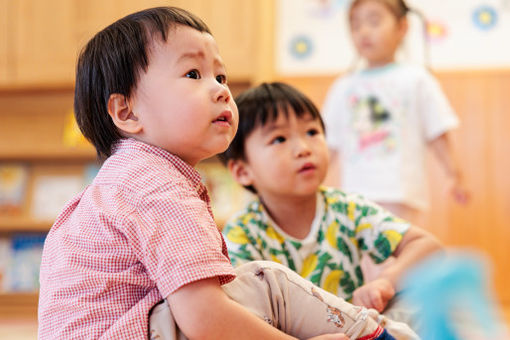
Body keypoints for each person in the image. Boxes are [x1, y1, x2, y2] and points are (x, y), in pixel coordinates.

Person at [37, 7, 415, 340]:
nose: (220, 91)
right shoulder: (154, 184)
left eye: (221, 76)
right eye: (192, 74)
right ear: (127, 113)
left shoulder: (122, 179)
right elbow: (204, 317)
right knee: (270, 284)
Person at [219, 82, 442, 331]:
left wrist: (385, 282)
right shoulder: (242, 232)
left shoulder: (346, 209)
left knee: (425, 300)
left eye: (312, 132)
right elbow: (237, 313)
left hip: (357, 330)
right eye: (279, 138)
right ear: (242, 171)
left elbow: (426, 246)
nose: (304, 149)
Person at [322, 0, 469, 224]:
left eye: (374, 21)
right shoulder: (343, 86)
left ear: (402, 27)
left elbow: (437, 130)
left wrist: (454, 175)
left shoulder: (417, 79)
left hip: (401, 194)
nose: (364, 31)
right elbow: (327, 145)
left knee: (402, 256)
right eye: (355, 25)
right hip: (353, 197)